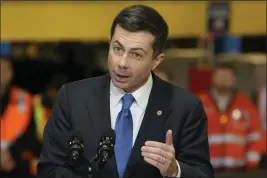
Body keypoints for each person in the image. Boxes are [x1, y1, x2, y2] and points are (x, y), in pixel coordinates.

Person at [37, 5, 213, 178]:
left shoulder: (185, 108)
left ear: (156, 61)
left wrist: (175, 171)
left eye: (136, 54)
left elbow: (202, 173)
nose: (121, 63)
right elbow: (49, 169)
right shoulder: (73, 98)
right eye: (117, 48)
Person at [198, 63, 263, 172]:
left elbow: (257, 136)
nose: (223, 80)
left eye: (228, 77)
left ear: (234, 80)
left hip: (240, 169)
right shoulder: (199, 103)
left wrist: (251, 163)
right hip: (206, 168)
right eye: (220, 76)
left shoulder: (245, 104)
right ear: (212, 79)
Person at [22, 74, 70, 176]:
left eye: (59, 91)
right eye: (53, 90)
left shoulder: (69, 111)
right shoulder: (33, 104)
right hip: (29, 161)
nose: (54, 94)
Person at [0, 56, 35, 177]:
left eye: (5, 69)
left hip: (15, 166)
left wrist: (10, 155)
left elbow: (30, 136)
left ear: (11, 74)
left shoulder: (24, 99)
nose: (2, 73)